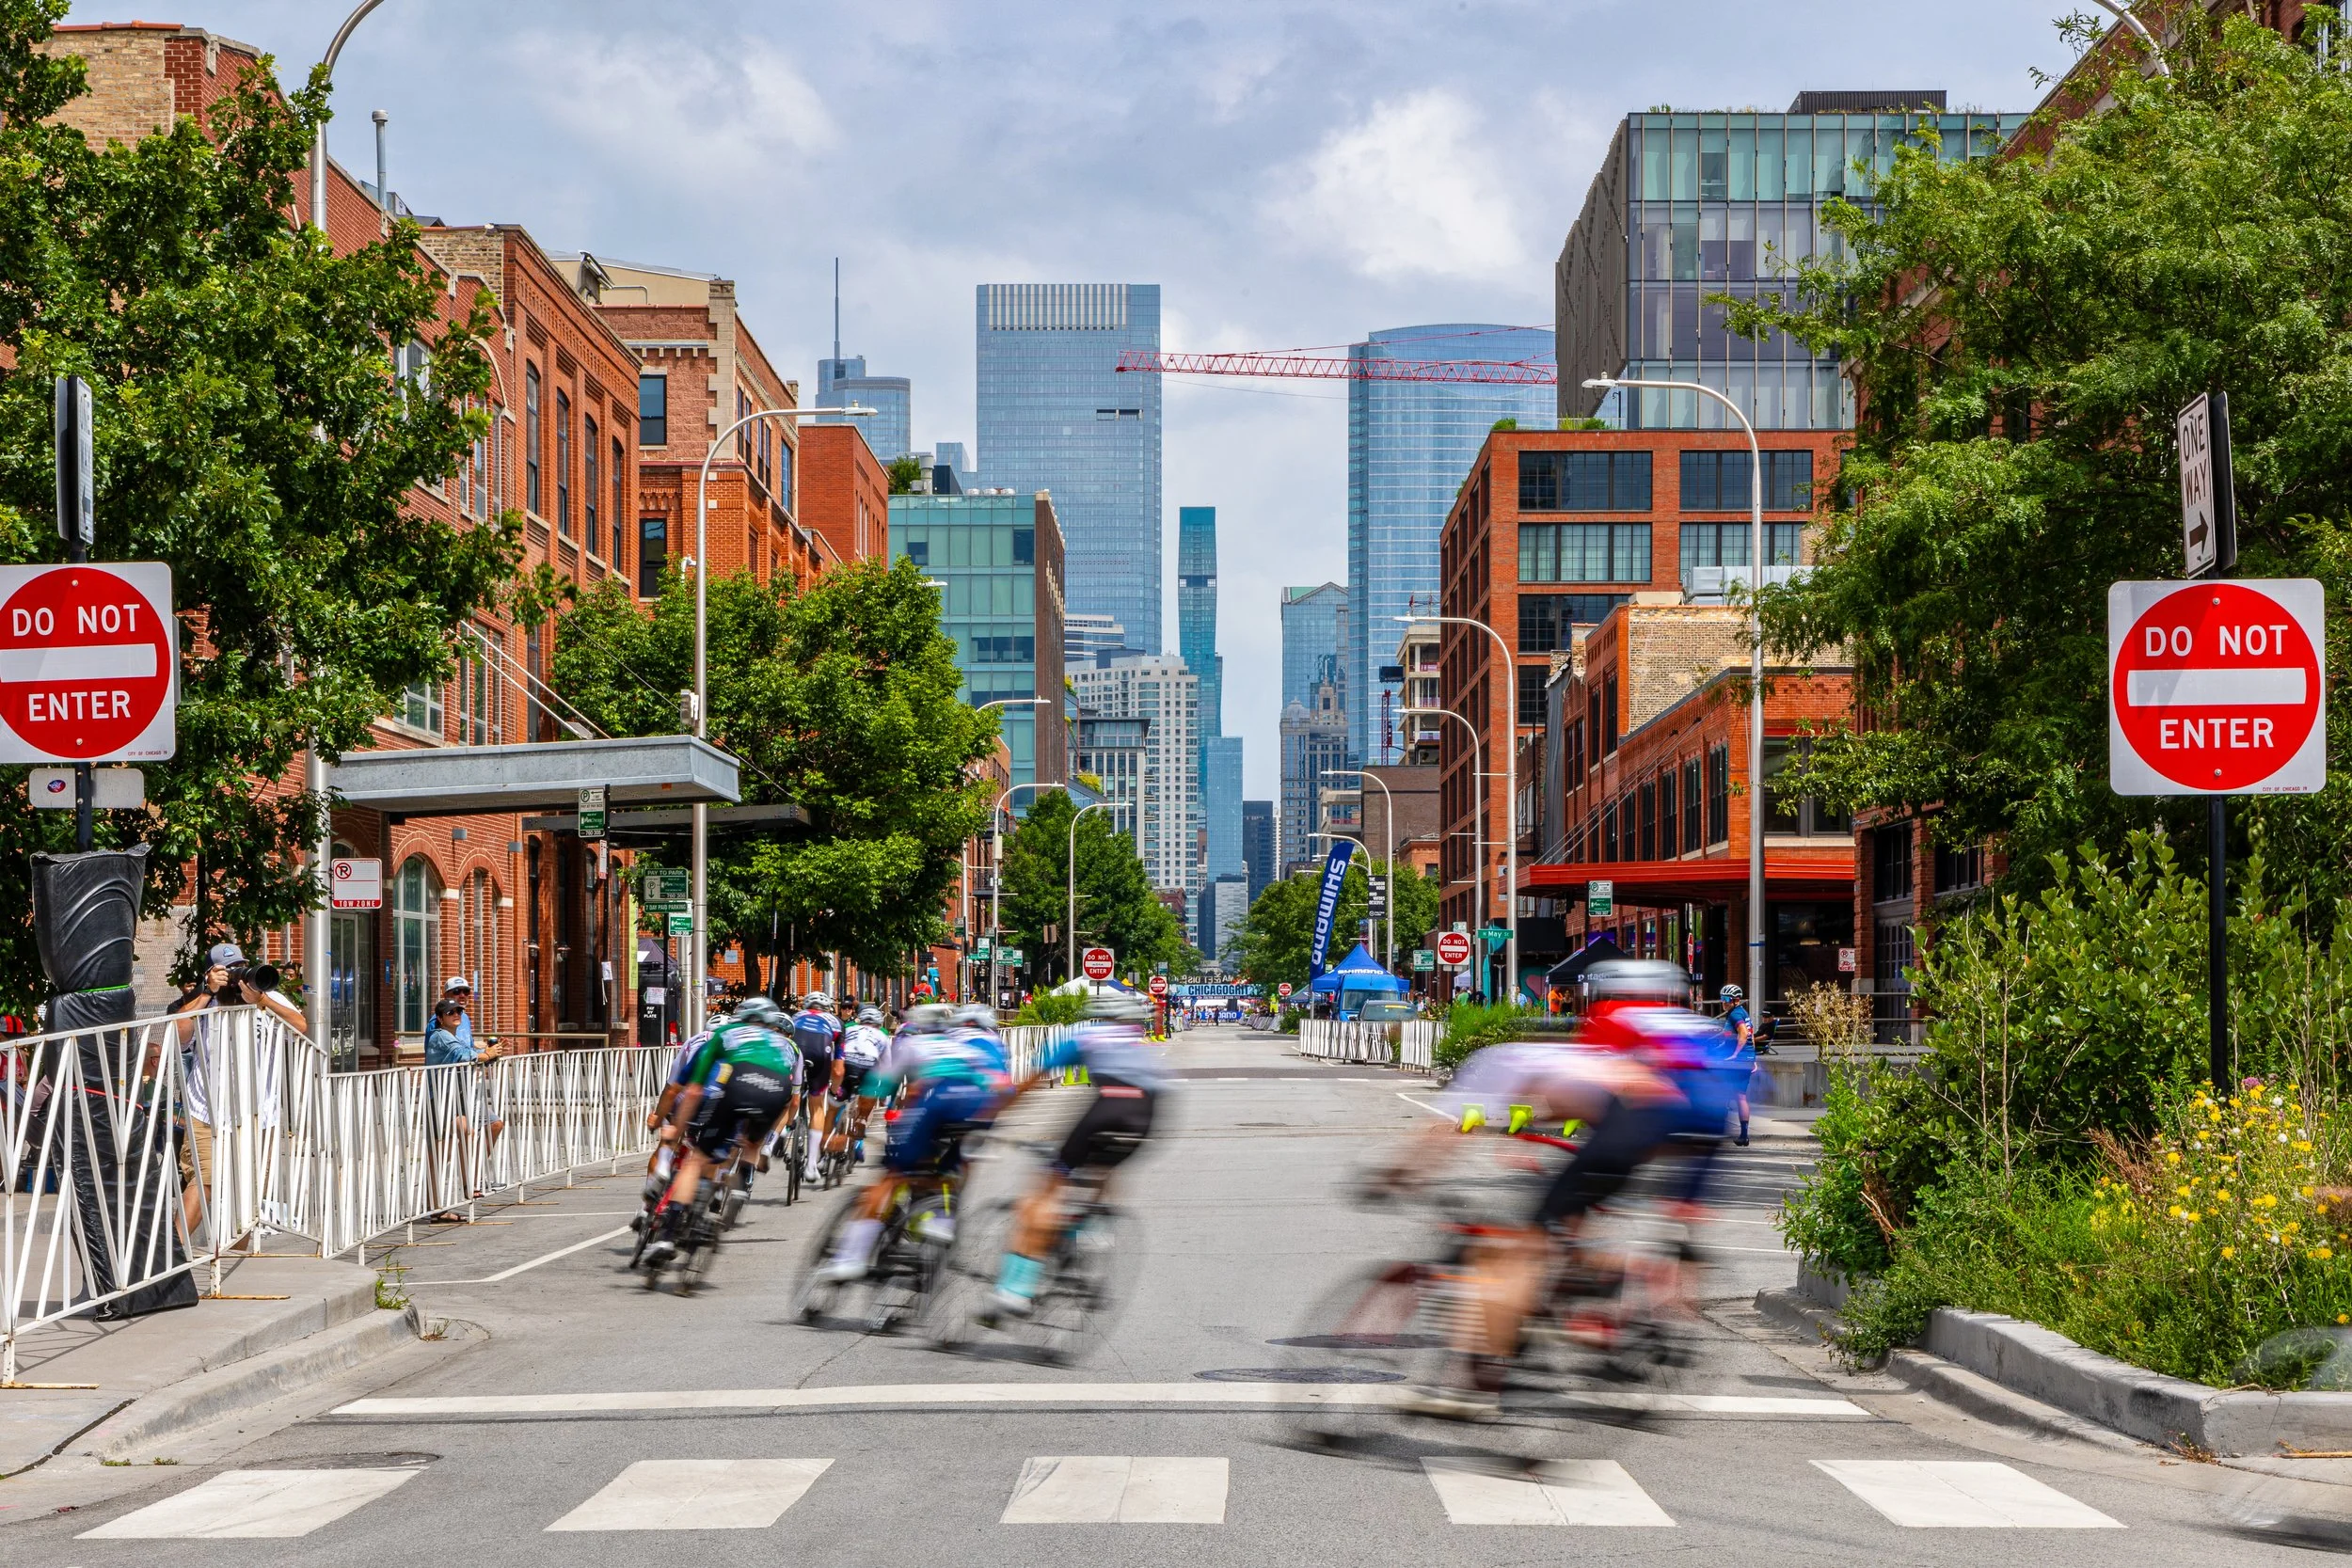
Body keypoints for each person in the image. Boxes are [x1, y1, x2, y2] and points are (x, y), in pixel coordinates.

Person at [1372, 959, 1715, 1418]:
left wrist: (1394, 1177)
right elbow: (1558, 1112)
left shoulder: (1492, 1063)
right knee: (1560, 1233)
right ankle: (1618, 1300)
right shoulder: (1568, 1056)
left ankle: (1474, 1394)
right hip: (1655, 1129)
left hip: (1627, 1130)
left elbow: (1443, 1135)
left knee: (1522, 1254)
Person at [978, 990, 1166, 1321]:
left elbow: (1032, 1083)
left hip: (1108, 1106)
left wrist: (994, 1114)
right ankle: (1092, 1226)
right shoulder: (1142, 1046)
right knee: (1103, 1165)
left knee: (1045, 1191)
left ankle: (1016, 1290)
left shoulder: (1087, 1035)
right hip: (1146, 1116)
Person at [811, 1003, 1008, 1283]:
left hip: (935, 1107)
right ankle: (941, 1220)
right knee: (952, 1165)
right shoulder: (969, 1045)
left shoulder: (912, 1043)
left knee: (892, 1176)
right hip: (977, 1111)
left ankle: (851, 1257)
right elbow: (997, 1084)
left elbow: (883, 1089)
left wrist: (859, 1128)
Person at [641, 994, 799, 1270]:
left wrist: (676, 1128)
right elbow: (793, 1096)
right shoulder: (786, 1044)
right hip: (776, 1093)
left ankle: (667, 1237)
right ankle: (741, 1185)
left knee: (698, 1160)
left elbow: (692, 1089)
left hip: (737, 1088)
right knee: (751, 1142)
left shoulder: (724, 1034)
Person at [172, 942, 305, 1237]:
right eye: (227, 970)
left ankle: (235, 1260)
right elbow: (178, 1030)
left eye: (239, 967)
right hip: (205, 1107)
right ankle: (171, 1252)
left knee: (247, 1191)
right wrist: (207, 993)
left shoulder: (267, 997)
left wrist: (262, 1002)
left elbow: (301, 1026)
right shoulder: (205, 1001)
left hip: (258, 1111)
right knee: (204, 1181)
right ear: (211, 973)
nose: (236, 975)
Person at [789, 993, 844, 1182]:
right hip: (821, 1054)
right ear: (828, 1008)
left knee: (790, 1094)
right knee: (817, 1108)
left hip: (796, 1049)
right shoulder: (836, 1022)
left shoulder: (795, 1017)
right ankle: (811, 1164)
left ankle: (777, 1138)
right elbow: (838, 1070)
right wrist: (834, 1090)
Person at [1719, 984, 1755, 1146]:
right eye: (1722, 999)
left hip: (1736, 1061)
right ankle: (1744, 1135)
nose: (1723, 1002)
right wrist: (1753, 1059)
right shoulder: (1742, 1013)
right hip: (1746, 1059)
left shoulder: (1736, 1014)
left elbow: (1744, 1033)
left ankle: (1717, 1127)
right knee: (1740, 1096)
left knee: (1719, 1088)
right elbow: (1751, 1036)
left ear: (1736, 1000)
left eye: (1726, 999)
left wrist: (1734, 1054)